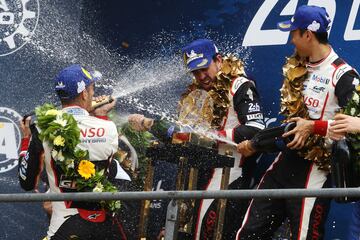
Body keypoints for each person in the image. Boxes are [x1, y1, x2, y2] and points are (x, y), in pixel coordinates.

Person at [236, 5, 360, 239]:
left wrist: (313, 126)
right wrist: (256, 144)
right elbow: (294, 124)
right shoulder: (295, 67)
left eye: (293, 33)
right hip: (285, 163)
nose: (291, 40)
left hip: (316, 171)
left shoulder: (343, 76)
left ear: (307, 35)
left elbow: (355, 125)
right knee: (250, 233)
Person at [130, 39, 266, 239]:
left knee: (208, 231)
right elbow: (183, 136)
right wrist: (151, 124)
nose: (201, 76)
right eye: (195, 72)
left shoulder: (240, 85)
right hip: (197, 173)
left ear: (218, 60)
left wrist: (212, 138)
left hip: (230, 172)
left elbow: (255, 130)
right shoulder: (193, 95)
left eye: (204, 69)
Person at [18, 64, 130, 240]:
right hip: (104, 227)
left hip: (64, 226)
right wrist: (99, 115)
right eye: (92, 89)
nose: (93, 94)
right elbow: (97, 154)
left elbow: (27, 182)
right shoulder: (108, 127)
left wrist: (26, 141)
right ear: (84, 94)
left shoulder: (42, 129)